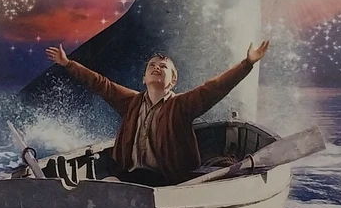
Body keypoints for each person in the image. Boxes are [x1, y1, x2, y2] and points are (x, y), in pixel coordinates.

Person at [44, 41, 270, 185]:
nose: (156, 68)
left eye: (163, 67)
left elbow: (215, 88)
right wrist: (68, 63)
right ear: (144, 78)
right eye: (152, 65)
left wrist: (247, 63)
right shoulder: (131, 102)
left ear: (173, 80)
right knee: (110, 182)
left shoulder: (182, 105)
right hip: (131, 177)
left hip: (168, 181)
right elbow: (101, 84)